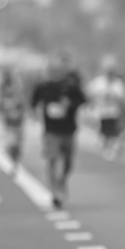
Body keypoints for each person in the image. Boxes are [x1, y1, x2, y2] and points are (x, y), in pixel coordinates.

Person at [31, 54, 88, 209]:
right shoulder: (43, 87)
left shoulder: (71, 86)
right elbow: (34, 102)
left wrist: (70, 104)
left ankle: (62, 180)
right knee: (52, 159)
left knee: (68, 163)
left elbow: (83, 100)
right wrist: (36, 114)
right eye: (52, 70)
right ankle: (55, 192)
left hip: (68, 130)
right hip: (51, 131)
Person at [87, 55, 125, 160]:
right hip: (101, 112)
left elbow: (124, 98)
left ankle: (110, 147)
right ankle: (104, 145)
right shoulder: (98, 83)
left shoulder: (118, 84)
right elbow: (90, 94)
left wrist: (124, 111)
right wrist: (91, 107)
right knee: (103, 131)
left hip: (114, 112)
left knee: (113, 131)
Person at [0, 69, 26, 174]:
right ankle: (13, 163)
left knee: (16, 146)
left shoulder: (18, 93)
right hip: (8, 123)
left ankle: (15, 164)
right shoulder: (3, 93)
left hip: (17, 123)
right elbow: (0, 106)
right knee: (9, 146)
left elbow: (22, 106)